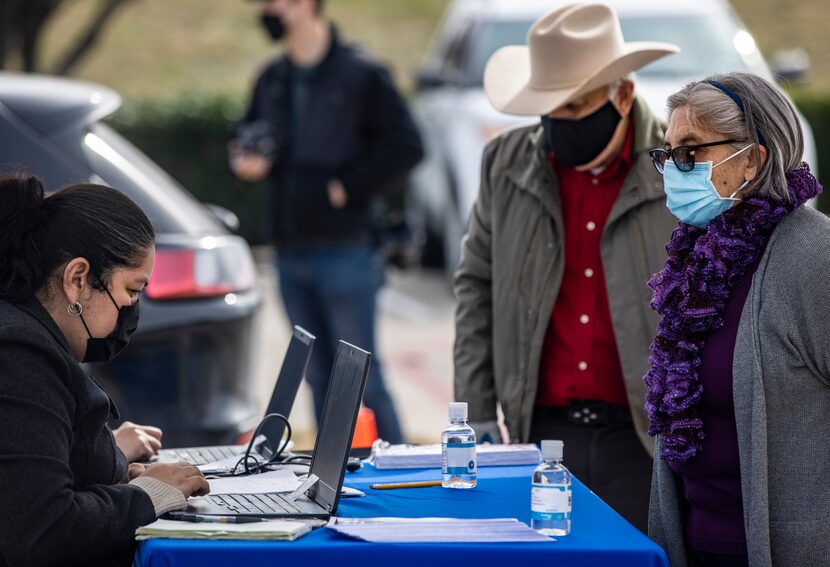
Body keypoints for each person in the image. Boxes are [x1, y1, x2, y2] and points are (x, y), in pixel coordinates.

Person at [453, 3, 679, 531]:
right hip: (539, 437)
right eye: (549, 108)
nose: (561, 123)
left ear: (623, 94)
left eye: (577, 106)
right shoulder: (505, 163)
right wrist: (478, 409)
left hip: (647, 440)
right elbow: (476, 286)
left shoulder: (680, 168)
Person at [646, 72, 827, 567]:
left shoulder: (816, 256)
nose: (673, 169)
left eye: (691, 152)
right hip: (694, 541)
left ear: (752, 157)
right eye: (667, 154)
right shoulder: (696, 258)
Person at [230, 0, 423, 444]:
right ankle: (333, 480)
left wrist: (349, 186)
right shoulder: (272, 79)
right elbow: (246, 139)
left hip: (348, 251)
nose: (266, 8)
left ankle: (395, 477)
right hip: (289, 252)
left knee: (362, 381)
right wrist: (247, 162)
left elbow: (407, 146)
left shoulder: (362, 74)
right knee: (317, 378)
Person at [0, 175, 210, 567]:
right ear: (78, 279)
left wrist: (116, 472)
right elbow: (40, 531)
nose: (131, 310)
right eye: (131, 290)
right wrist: (148, 495)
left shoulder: (26, 338)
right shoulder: (18, 353)